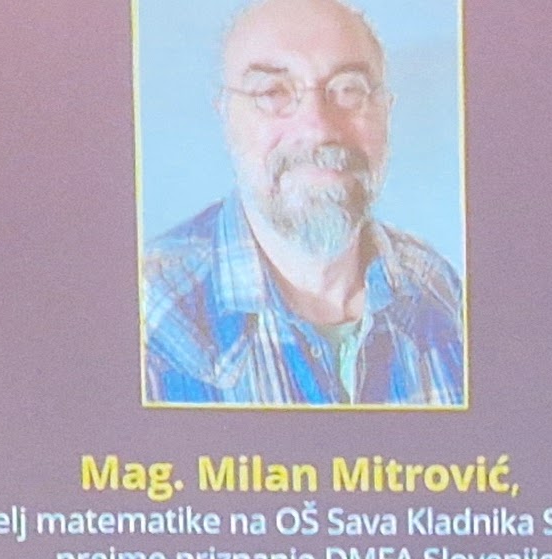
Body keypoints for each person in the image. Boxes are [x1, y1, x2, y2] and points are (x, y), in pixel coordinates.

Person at [142, 0, 465, 406]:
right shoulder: (149, 316)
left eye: (348, 90)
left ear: (386, 112)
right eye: (273, 91)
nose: (318, 128)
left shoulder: (437, 287)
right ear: (226, 117)